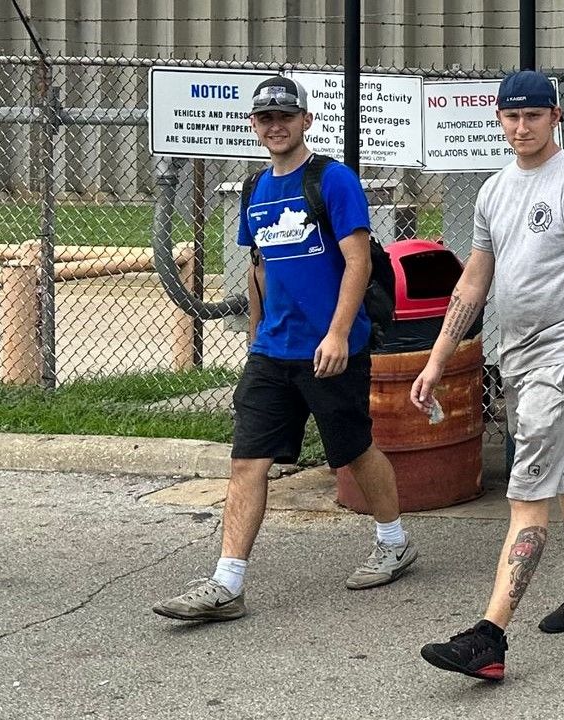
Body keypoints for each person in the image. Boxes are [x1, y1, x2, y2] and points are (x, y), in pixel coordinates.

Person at [152, 77, 416, 622]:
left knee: (354, 450)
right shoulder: (254, 189)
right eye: (266, 118)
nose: (276, 126)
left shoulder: (332, 179)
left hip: (332, 348)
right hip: (273, 351)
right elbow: (260, 269)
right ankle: (227, 584)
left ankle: (394, 542)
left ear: (305, 121)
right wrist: (256, 337)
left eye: (286, 117)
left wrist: (338, 333)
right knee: (247, 460)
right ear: (254, 125)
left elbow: (358, 261)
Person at [411, 70, 564, 681]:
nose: (522, 127)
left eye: (533, 116)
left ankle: (489, 637)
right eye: (512, 117)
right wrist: (437, 359)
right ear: (499, 119)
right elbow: (473, 281)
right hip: (518, 355)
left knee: (526, 496)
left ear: (555, 117)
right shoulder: (494, 190)